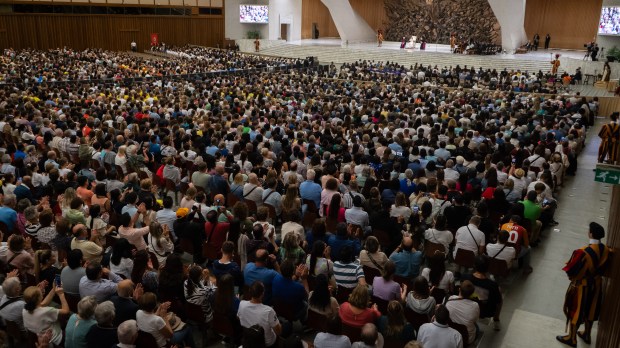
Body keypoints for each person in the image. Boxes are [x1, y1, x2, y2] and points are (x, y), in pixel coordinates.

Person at [556, 222, 611, 347]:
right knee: (592, 309)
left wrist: (573, 279)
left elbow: (572, 271)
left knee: (576, 310)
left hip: (582, 286)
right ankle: (587, 334)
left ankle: (572, 338)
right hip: (597, 284)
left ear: (590, 233)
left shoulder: (582, 252)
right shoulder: (606, 249)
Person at [461, 256, 503, 331]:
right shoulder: (492, 285)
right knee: (500, 295)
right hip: (485, 311)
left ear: (474, 266)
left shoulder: (465, 277)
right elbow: (498, 301)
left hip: (467, 304)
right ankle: (496, 319)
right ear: (488, 268)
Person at [238, 281, 282, 348]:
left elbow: (238, 317)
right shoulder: (269, 311)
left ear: (250, 291)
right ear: (262, 294)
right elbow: (278, 331)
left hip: (249, 339)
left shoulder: (242, 304)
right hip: (268, 343)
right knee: (287, 327)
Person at [445, 280, 479, 345]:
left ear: (459, 289)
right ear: (472, 294)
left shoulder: (450, 299)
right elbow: (476, 320)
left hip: (451, 335)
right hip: (466, 339)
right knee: (477, 327)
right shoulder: (475, 305)